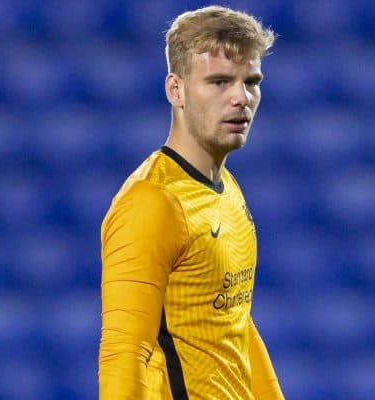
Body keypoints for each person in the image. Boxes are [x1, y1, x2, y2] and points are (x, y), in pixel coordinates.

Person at [98, 6, 284, 399]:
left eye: (251, 82)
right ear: (175, 89)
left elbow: (236, 326)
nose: (241, 98)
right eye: (219, 82)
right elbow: (124, 352)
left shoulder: (228, 188)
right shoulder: (152, 203)